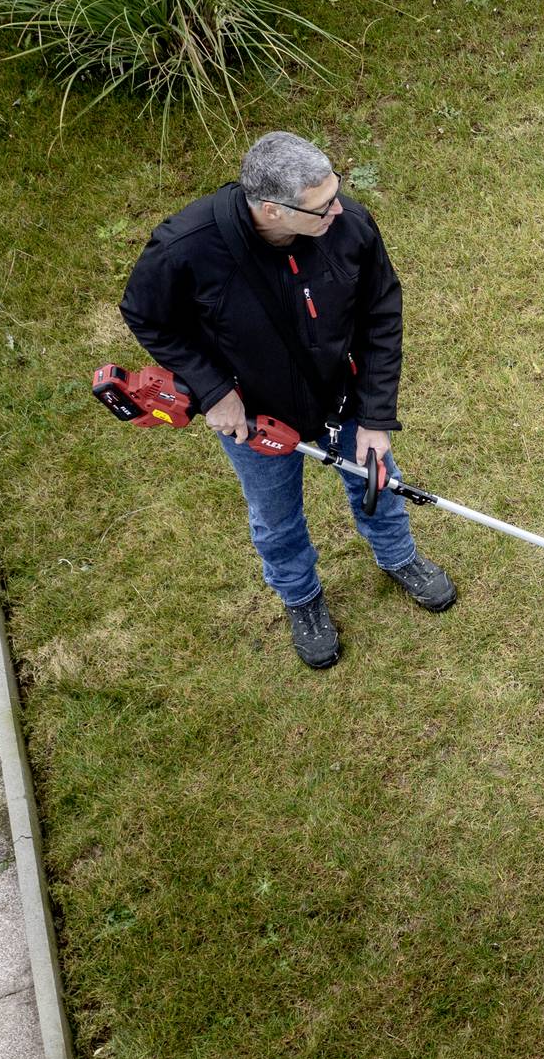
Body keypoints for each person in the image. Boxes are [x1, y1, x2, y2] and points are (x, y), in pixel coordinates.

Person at [122, 131, 455, 669]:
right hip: (257, 418)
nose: (339, 209)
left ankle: (399, 557)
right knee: (276, 518)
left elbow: (380, 315)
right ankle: (302, 599)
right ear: (273, 211)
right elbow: (146, 315)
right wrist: (215, 392)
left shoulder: (348, 227)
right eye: (322, 206)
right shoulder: (188, 246)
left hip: (343, 397)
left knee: (378, 479)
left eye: (336, 191)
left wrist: (374, 415)